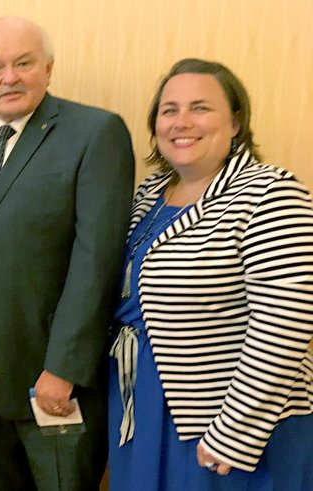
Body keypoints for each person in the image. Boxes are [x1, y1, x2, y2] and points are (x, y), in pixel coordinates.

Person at [0, 16, 135, 490]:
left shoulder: (95, 133)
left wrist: (63, 366)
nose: (9, 77)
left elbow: (97, 261)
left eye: (24, 63)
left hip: (53, 378)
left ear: (48, 67)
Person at [108, 58, 313, 490]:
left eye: (200, 108)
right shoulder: (150, 195)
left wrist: (234, 430)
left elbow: (286, 322)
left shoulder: (270, 192)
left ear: (236, 122)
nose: (182, 122)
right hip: (143, 400)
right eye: (169, 110)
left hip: (223, 417)